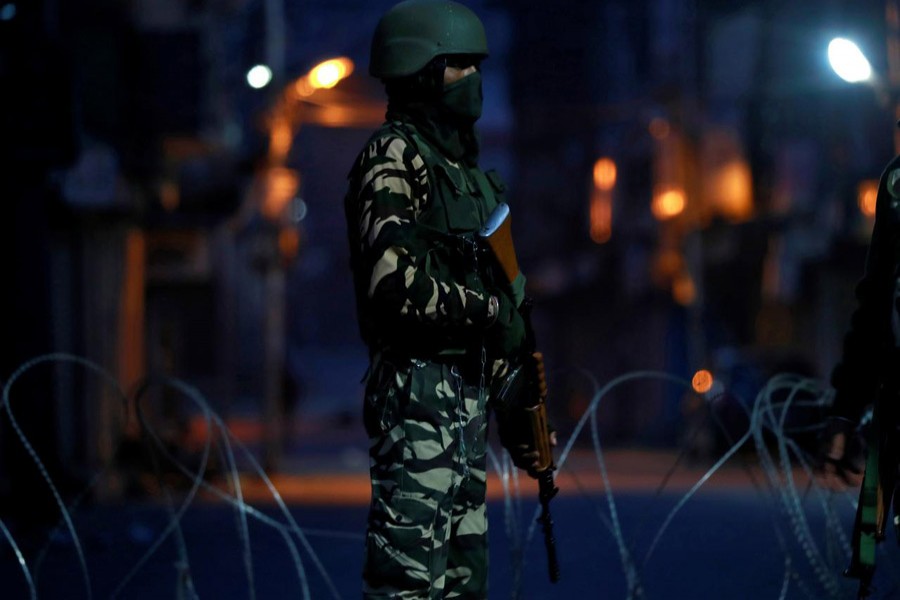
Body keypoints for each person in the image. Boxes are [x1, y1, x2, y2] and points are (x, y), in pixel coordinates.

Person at [343, 1, 548, 596]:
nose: (474, 81)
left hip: (465, 403)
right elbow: (392, 285)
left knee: (463, 582)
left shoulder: (469, 176)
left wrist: (523, 409)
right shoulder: (394, 158)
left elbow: (507, 304)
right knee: (406, 582)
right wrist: (490, 313)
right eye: (459, 66)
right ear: (420, 72)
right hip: (415, 398)